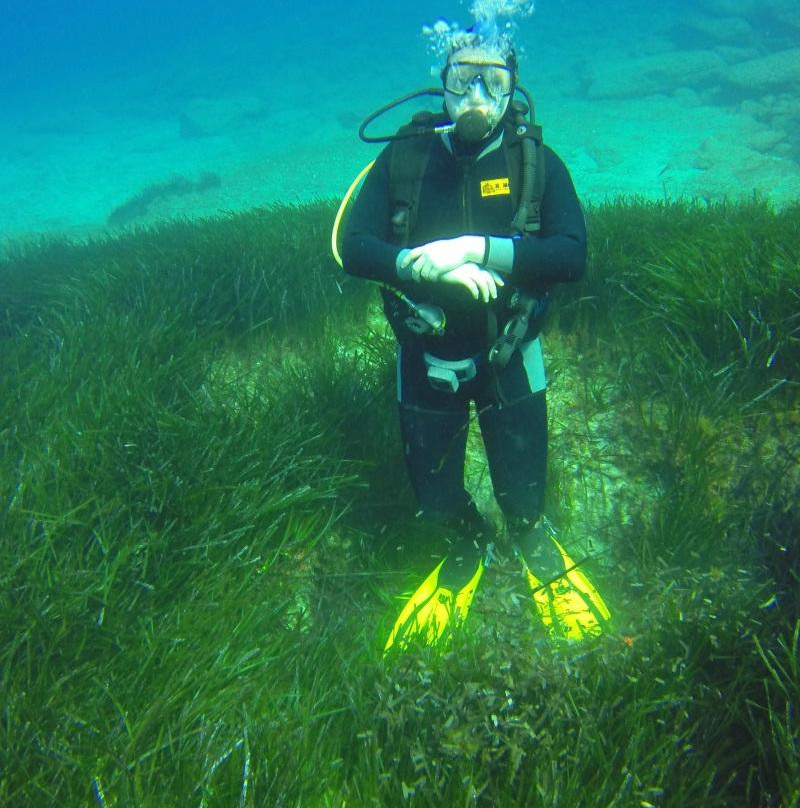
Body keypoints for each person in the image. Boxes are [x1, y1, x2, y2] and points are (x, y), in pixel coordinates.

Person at [341, 34, 609, 649]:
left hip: (509, 355)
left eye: (494, 81)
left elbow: (572, 255)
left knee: (525, 497)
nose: (477, 97)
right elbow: (353, 246)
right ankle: (469, 542)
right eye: (463, 79)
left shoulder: (531, 161)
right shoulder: (406, 155)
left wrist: (479, 248)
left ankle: (529, 535)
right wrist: (417, 265)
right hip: (425, 359)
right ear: (442, 81)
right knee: (435, 501)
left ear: (514, 87)